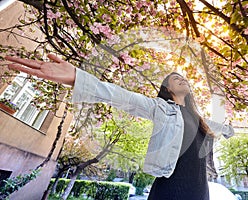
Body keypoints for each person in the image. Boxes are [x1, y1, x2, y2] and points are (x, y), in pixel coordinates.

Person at [5, 54, 234, 200]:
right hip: (171, 191)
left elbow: (223, 129)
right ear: (167, 89)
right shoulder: (159, 108)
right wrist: (77, 76)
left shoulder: (199, 118)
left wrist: (228, 128)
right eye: (174, 78)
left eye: (183, 78)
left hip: (200, 192)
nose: (181, 79)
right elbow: (119, 95)